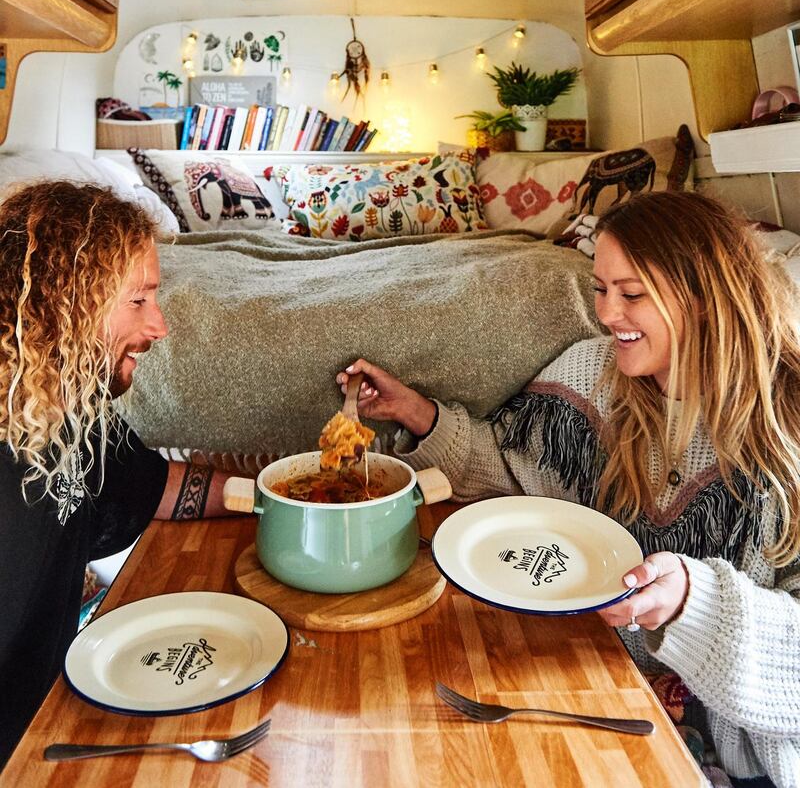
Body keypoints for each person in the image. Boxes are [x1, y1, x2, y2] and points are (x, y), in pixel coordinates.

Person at [336, 191, 800, 788]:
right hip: (592, 679)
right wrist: (419, 414)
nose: (608, 314)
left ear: (706, 298)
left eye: (632, 294)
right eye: (601, 289)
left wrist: (693, 602)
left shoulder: (786, 432)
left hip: (739, 756)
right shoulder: (590, 373)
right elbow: (519, 488)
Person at [0, 181, 243, 768]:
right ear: (64, 300)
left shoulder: (68, 407)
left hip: (54, 720)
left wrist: (279, 498)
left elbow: (158, 488)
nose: (158, 328)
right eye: (138, 301)